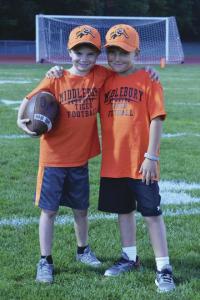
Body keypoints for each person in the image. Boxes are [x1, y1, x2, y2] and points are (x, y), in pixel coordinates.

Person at [17, 25, 113, 284]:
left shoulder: (100, 75)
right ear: (69, 52)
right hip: (53, 160)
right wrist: (20, 121)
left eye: (90, 54)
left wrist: (147, 73)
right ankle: (45, 260)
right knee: (49, 212)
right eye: (79, 53)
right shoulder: (56, 78)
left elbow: (124, 73)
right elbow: (29, 99)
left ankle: (83, 250)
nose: (84, 59)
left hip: (79, 160)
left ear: (97, 56)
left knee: (81, 210)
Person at [98, 24, 175, 293]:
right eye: (112, 52)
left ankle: (163, 267)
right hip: (114, 161)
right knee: (123, 211)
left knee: (152, 213)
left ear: (137, 53)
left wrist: (151, 156)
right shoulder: (104, 80)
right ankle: (130, 257)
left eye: (124, 52)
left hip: (142, 161)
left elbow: (156, 119)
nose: (117, 58)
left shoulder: (148, 79)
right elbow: (78, 76)